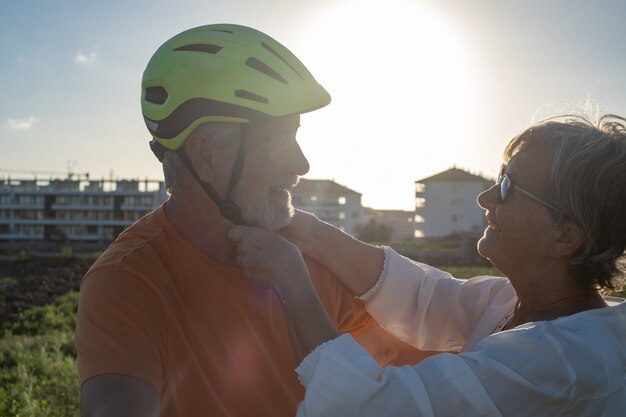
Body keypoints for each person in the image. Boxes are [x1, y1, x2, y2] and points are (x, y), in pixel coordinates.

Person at [74, 23, 431, 417]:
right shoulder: (129, 281)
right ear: (207, 155)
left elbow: (408, 385)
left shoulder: (310, 261)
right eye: (279, 140)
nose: (301, 164)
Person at [230, 113, 626, 416]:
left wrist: (291, 281)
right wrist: (309, 232)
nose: (486, 198)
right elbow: (424, 296)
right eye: (499, 177)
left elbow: (374, 406)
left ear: (564, 237)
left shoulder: (569, 361)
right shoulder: (517, 303)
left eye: (508, 188)